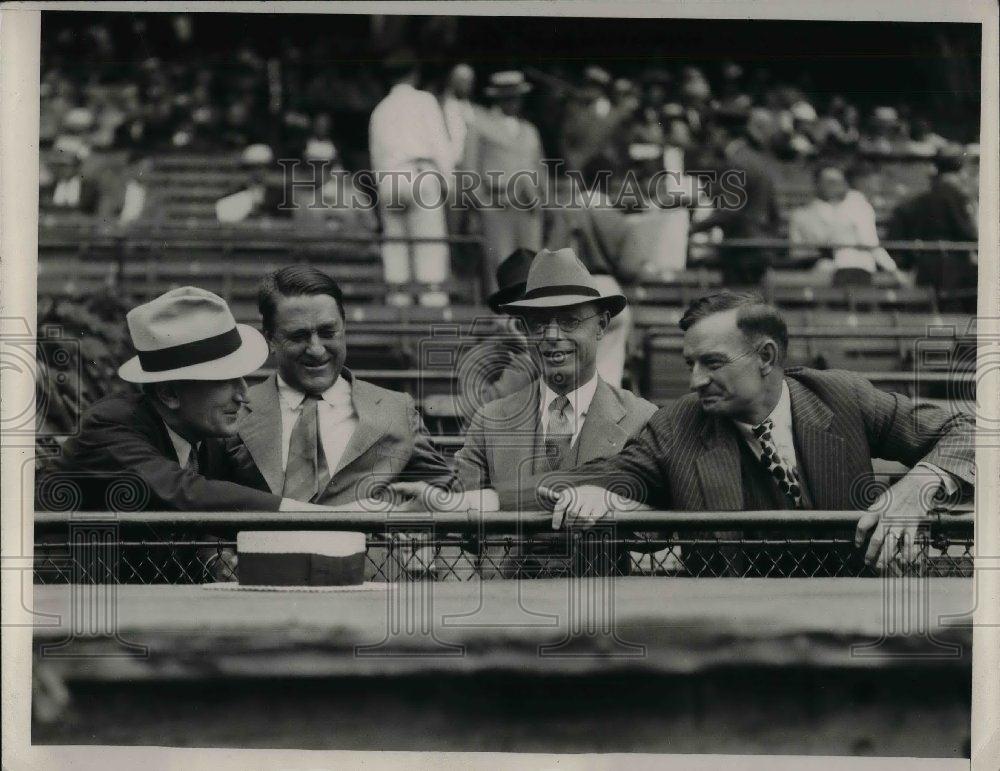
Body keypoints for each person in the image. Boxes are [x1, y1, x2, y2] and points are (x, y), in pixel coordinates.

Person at [542, 290, 974, 572]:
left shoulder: (842, 397)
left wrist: (919, 484)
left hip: (852, 623)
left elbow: (970, 431)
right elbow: (575, 484)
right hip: (737, 635)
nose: (695, 381)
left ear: (765, 357)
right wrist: (605, 498)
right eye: (690, 364)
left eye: (712, 363)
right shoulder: (677, 425)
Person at [237, 265, 453, 507]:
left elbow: (447, 498)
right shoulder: (237, 410)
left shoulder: (397, 409)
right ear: (270, 339)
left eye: (328, 332)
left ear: (344, 326)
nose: (316, 349)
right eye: (298, 336)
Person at [368, 51, 454, 307]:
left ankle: (398, 305)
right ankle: (432, 305)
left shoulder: (380, 109)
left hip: (390, 178)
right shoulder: (424, 101)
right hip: (419, 172)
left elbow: (376, 157)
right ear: (414, 74)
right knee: (429, 246)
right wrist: (448, 183)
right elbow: (440, 146)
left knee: (396, 248)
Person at [688, 108, 782, 285]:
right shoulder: (758, 159)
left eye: (712, 133)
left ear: (721, 133)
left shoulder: (736, 163)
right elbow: (773, 209)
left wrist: (692, 228)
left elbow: (729, 210)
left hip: (742, 248)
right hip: (760, 245)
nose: (711, 140)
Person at [472, 71, 545, 294]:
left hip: (528, 205)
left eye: (517, 97)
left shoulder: (529, 130)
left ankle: (530, 309)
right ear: (498, 98)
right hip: (498, 203)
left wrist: (543, 201)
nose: (514, 102)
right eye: (508, 97)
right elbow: (469, 169)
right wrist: (483, 203)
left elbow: (540, 168)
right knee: (500, 262)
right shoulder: (480, 125)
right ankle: (501, 310)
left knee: (531, 261)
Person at [888, 145, 978, 304]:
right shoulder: (958, 197)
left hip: (926, 265)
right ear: (960, 169)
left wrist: (907, 263)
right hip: (954, 267)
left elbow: (900, 225)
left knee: (930, 312)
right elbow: (969, 233)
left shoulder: (918, 200)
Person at [455, 247, 538, 420]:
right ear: (504, 315)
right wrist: (527, 357)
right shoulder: (481, 357)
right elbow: (476, 414)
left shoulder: (563, 345)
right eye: (519, 308)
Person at [789, 165, 903, 284]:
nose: (836, 186)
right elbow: (869, 242)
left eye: (839, 181)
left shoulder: (851, 205)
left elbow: (867, 242)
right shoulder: (856, 206)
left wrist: (892, 269)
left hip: (849, 267)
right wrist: (893, 270)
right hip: (845, 268)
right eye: (830, 182)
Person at [215, 144, 292, 223]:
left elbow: (286, 220)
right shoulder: (235, 192)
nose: (257, 172)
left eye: (261, 167)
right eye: (252, 168)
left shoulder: (279, 195)